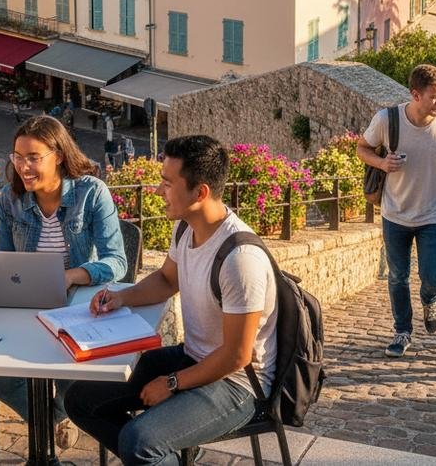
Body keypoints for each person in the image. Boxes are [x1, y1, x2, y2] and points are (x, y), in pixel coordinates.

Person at [64, 134, 278, 464]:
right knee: (80, 400)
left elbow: (236, 356)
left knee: (139, 441)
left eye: (167, 183)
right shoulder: (186, 228)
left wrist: (173, 383)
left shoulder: (240, 260)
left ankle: (153, 453)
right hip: (193, 357)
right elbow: (166, 279)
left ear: (200, 192)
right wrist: (121, 298)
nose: (157, 191)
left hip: (237, 384)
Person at [0, 115, 126, 440]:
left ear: (59, 156)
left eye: (33, 158)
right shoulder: (10, 198)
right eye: (17, 157)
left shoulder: (91, 192)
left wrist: (70, 276)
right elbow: (4, 262)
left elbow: (117, 262)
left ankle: (55, 421)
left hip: (78, 307)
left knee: (70, 376)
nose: (23, 167)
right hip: (27, 307)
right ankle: (51, 425)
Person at [356, 64, 436, 358]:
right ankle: (402, 331)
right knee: (397, 276)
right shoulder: (387, 119)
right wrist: (382, 163)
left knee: (431, 276)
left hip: (433, 215)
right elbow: (362, 148)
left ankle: (430, 300)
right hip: (395, 214)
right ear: (416, 95)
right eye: (435, 97)